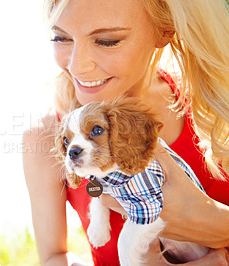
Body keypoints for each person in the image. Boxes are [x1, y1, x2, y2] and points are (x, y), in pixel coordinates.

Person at [23, 0, 229, 265]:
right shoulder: (45, 134)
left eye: (107, 41)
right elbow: (53, 256)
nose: (77, 66)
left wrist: (215, 224)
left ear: (164, 30)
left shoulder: (213, 102)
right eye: (61, 37)